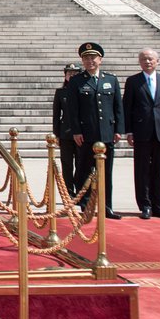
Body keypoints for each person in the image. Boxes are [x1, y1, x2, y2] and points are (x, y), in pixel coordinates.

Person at [63, 41, 124, 219]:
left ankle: (106, 206)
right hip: (86, 133)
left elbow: (117, 106)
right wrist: (76, 131)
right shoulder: (76, 81)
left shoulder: (110, 80)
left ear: (100, 59)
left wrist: (118, 129)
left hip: (107, 133)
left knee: (106, 172)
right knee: (84, 170)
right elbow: (72, 110)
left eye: (93, 57)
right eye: (86, 58)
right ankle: (85, 205)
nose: (90, 61)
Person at [124, 48, 160, 219]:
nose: (147, 62)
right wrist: (129, 131)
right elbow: (128, 108)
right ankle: (145, 205)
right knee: (142, 169)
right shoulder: (133, 81)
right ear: (140, 62)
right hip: (142, 132)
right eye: (144, 59)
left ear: (157, 61)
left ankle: (158, 205)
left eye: (150, 59)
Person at [52, 63, 82, 197]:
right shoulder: (60, 92)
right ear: (65, 75)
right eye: (70, 73)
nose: (72, 75)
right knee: (67, 164)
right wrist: (57, 134)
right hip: (66, 133)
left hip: (82, 133)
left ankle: (80, 189)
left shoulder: (84, 90)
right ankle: (68, 191)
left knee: (81, 163)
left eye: (75, 73)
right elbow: (56, 115)